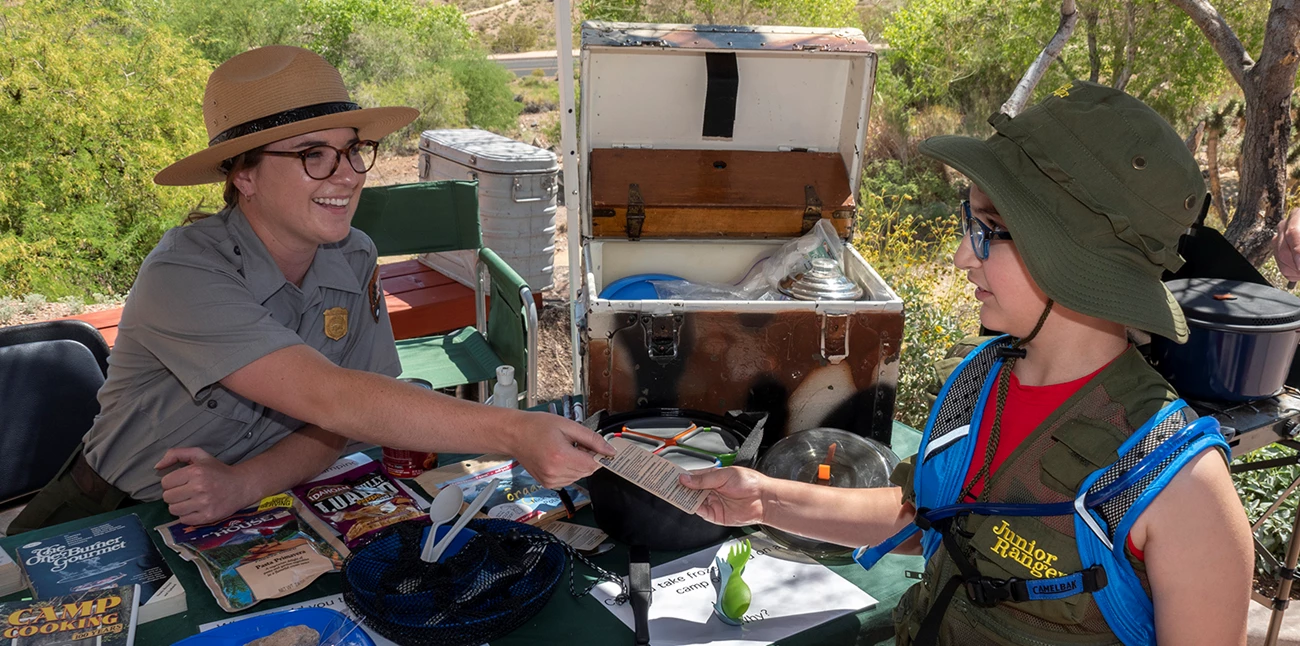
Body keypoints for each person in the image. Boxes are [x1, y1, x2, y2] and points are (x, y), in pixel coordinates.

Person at [680, 81, 1252, 645]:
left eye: (990, 232)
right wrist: (764, 498)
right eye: (967, 222)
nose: (960, 258)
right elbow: (927, 514)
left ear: (1076, 259)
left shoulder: (1181, 487)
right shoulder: (980, 379)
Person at [10, 45, 612, 534]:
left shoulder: (354, 257)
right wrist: (512, 431)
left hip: (254, 502)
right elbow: (330, 396)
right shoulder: (185, 272)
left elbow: (343, 418)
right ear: (244, 173)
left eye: (353, 150)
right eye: (313, 155)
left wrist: (244, 484)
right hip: (110, 513)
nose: (347, 174)